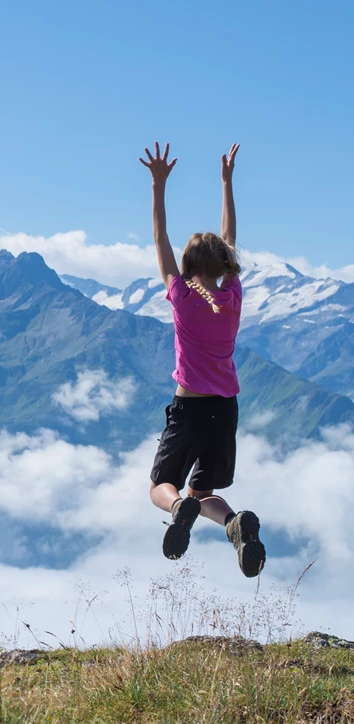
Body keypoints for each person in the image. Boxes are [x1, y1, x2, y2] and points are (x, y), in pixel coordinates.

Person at [140, 141, 265, 578]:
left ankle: (177, 510)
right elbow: (229, 239)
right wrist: (227, 184)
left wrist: (158, 186)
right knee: (204, 490)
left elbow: (161, 236)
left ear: (188, 266)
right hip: (225, 409)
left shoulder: (181, 296)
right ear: (225, 265)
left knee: (161, 486)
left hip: (190, 407)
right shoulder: (232, 294)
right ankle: (234, 525)